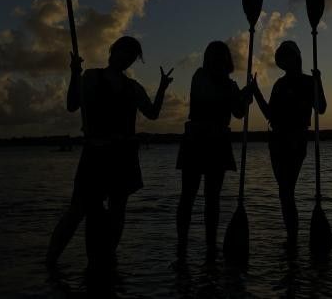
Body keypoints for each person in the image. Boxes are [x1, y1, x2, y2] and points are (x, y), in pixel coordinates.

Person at [46, 36, 174, 268]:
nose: (127, 59)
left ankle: (106, 257)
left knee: (117, 210)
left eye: (132, 57)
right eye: (124, 52)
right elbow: (72, 104)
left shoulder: (133, 88)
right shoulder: (92, 78)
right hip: (95, 153)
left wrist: (163, 88)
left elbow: (152, 113)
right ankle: (50, 262)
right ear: (113, 51)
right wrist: (75, 73)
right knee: (77, 210)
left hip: (123, 157)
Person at [176, 41, 252, 262]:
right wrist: (236, 93)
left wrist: (248, 96)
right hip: (196, 140)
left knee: (213, 198)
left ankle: (211, 244)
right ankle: (182, 243)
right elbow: (208, 95)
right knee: (188, 196)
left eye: (222, 57)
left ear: (227, 60)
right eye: (214, 57)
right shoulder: (200, 76)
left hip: (218, 142)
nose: (218, 61)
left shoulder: (230, 85)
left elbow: (238, 113)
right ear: (208, 59)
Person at [250, 40, 327, 252]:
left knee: (286, 190)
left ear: (296, 58)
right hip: (277, 141)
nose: (285, 62)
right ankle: (291, 237)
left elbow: (321, 108)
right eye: (282, 59)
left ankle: (292, 239)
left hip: (296, 141)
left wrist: (318, 82)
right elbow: (270, 115)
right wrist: (256, 92)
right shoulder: (279, 85)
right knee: (285, 192)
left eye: (288, 57)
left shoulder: (308, 81)